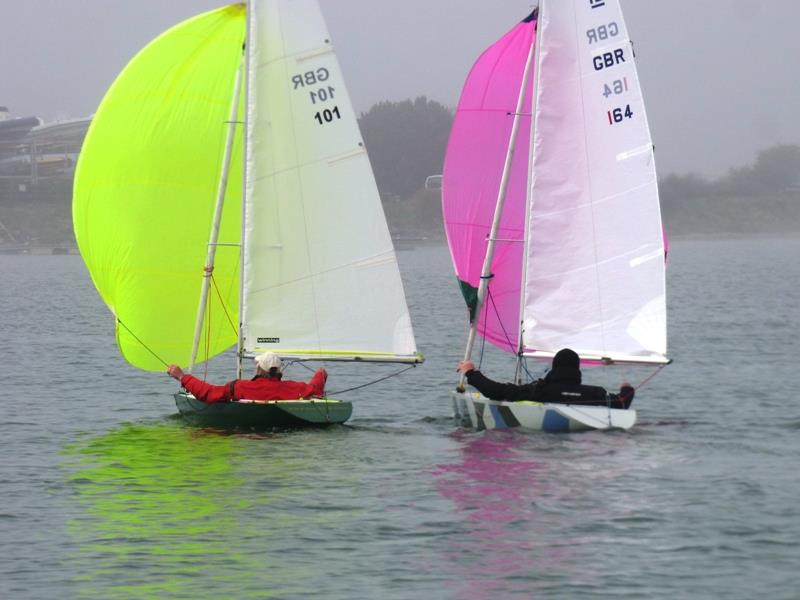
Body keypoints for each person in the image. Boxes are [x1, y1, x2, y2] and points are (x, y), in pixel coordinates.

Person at [456, 348, 635, 409]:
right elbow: (622, 402)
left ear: (555, 367)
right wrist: (627, 389)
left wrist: (471, 373)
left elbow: (496, 392)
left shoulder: (540, 391)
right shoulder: (596, 392)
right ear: (576, 370)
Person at [167, 352, 327, 404]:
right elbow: (316, 388)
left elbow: (208, 393)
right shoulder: (296, 388)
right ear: (279, 371)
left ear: (258, 368)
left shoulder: (240, 387)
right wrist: (321, 373)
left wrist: (182, 376)